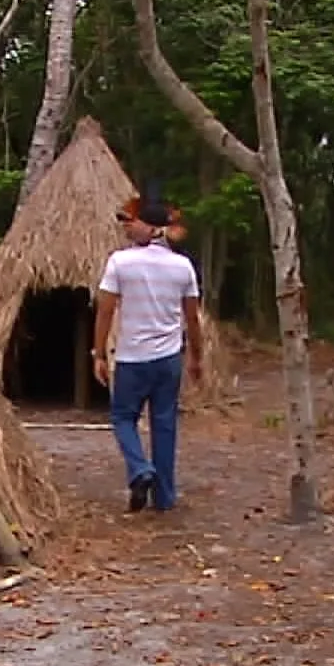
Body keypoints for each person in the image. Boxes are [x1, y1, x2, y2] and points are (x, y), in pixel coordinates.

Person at [92, 198, 203, 511]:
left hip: (132, 359)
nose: (127, 226)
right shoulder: (183, 267)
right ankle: (164, 498)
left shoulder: (120, 262)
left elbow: (105, 310)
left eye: (132, 221)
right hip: (169, 360)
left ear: (153, 227)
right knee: (164, 424)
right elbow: (192, 318)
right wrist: (197, 357)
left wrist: (98, 353)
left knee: (123, 417)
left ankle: (140, 469)